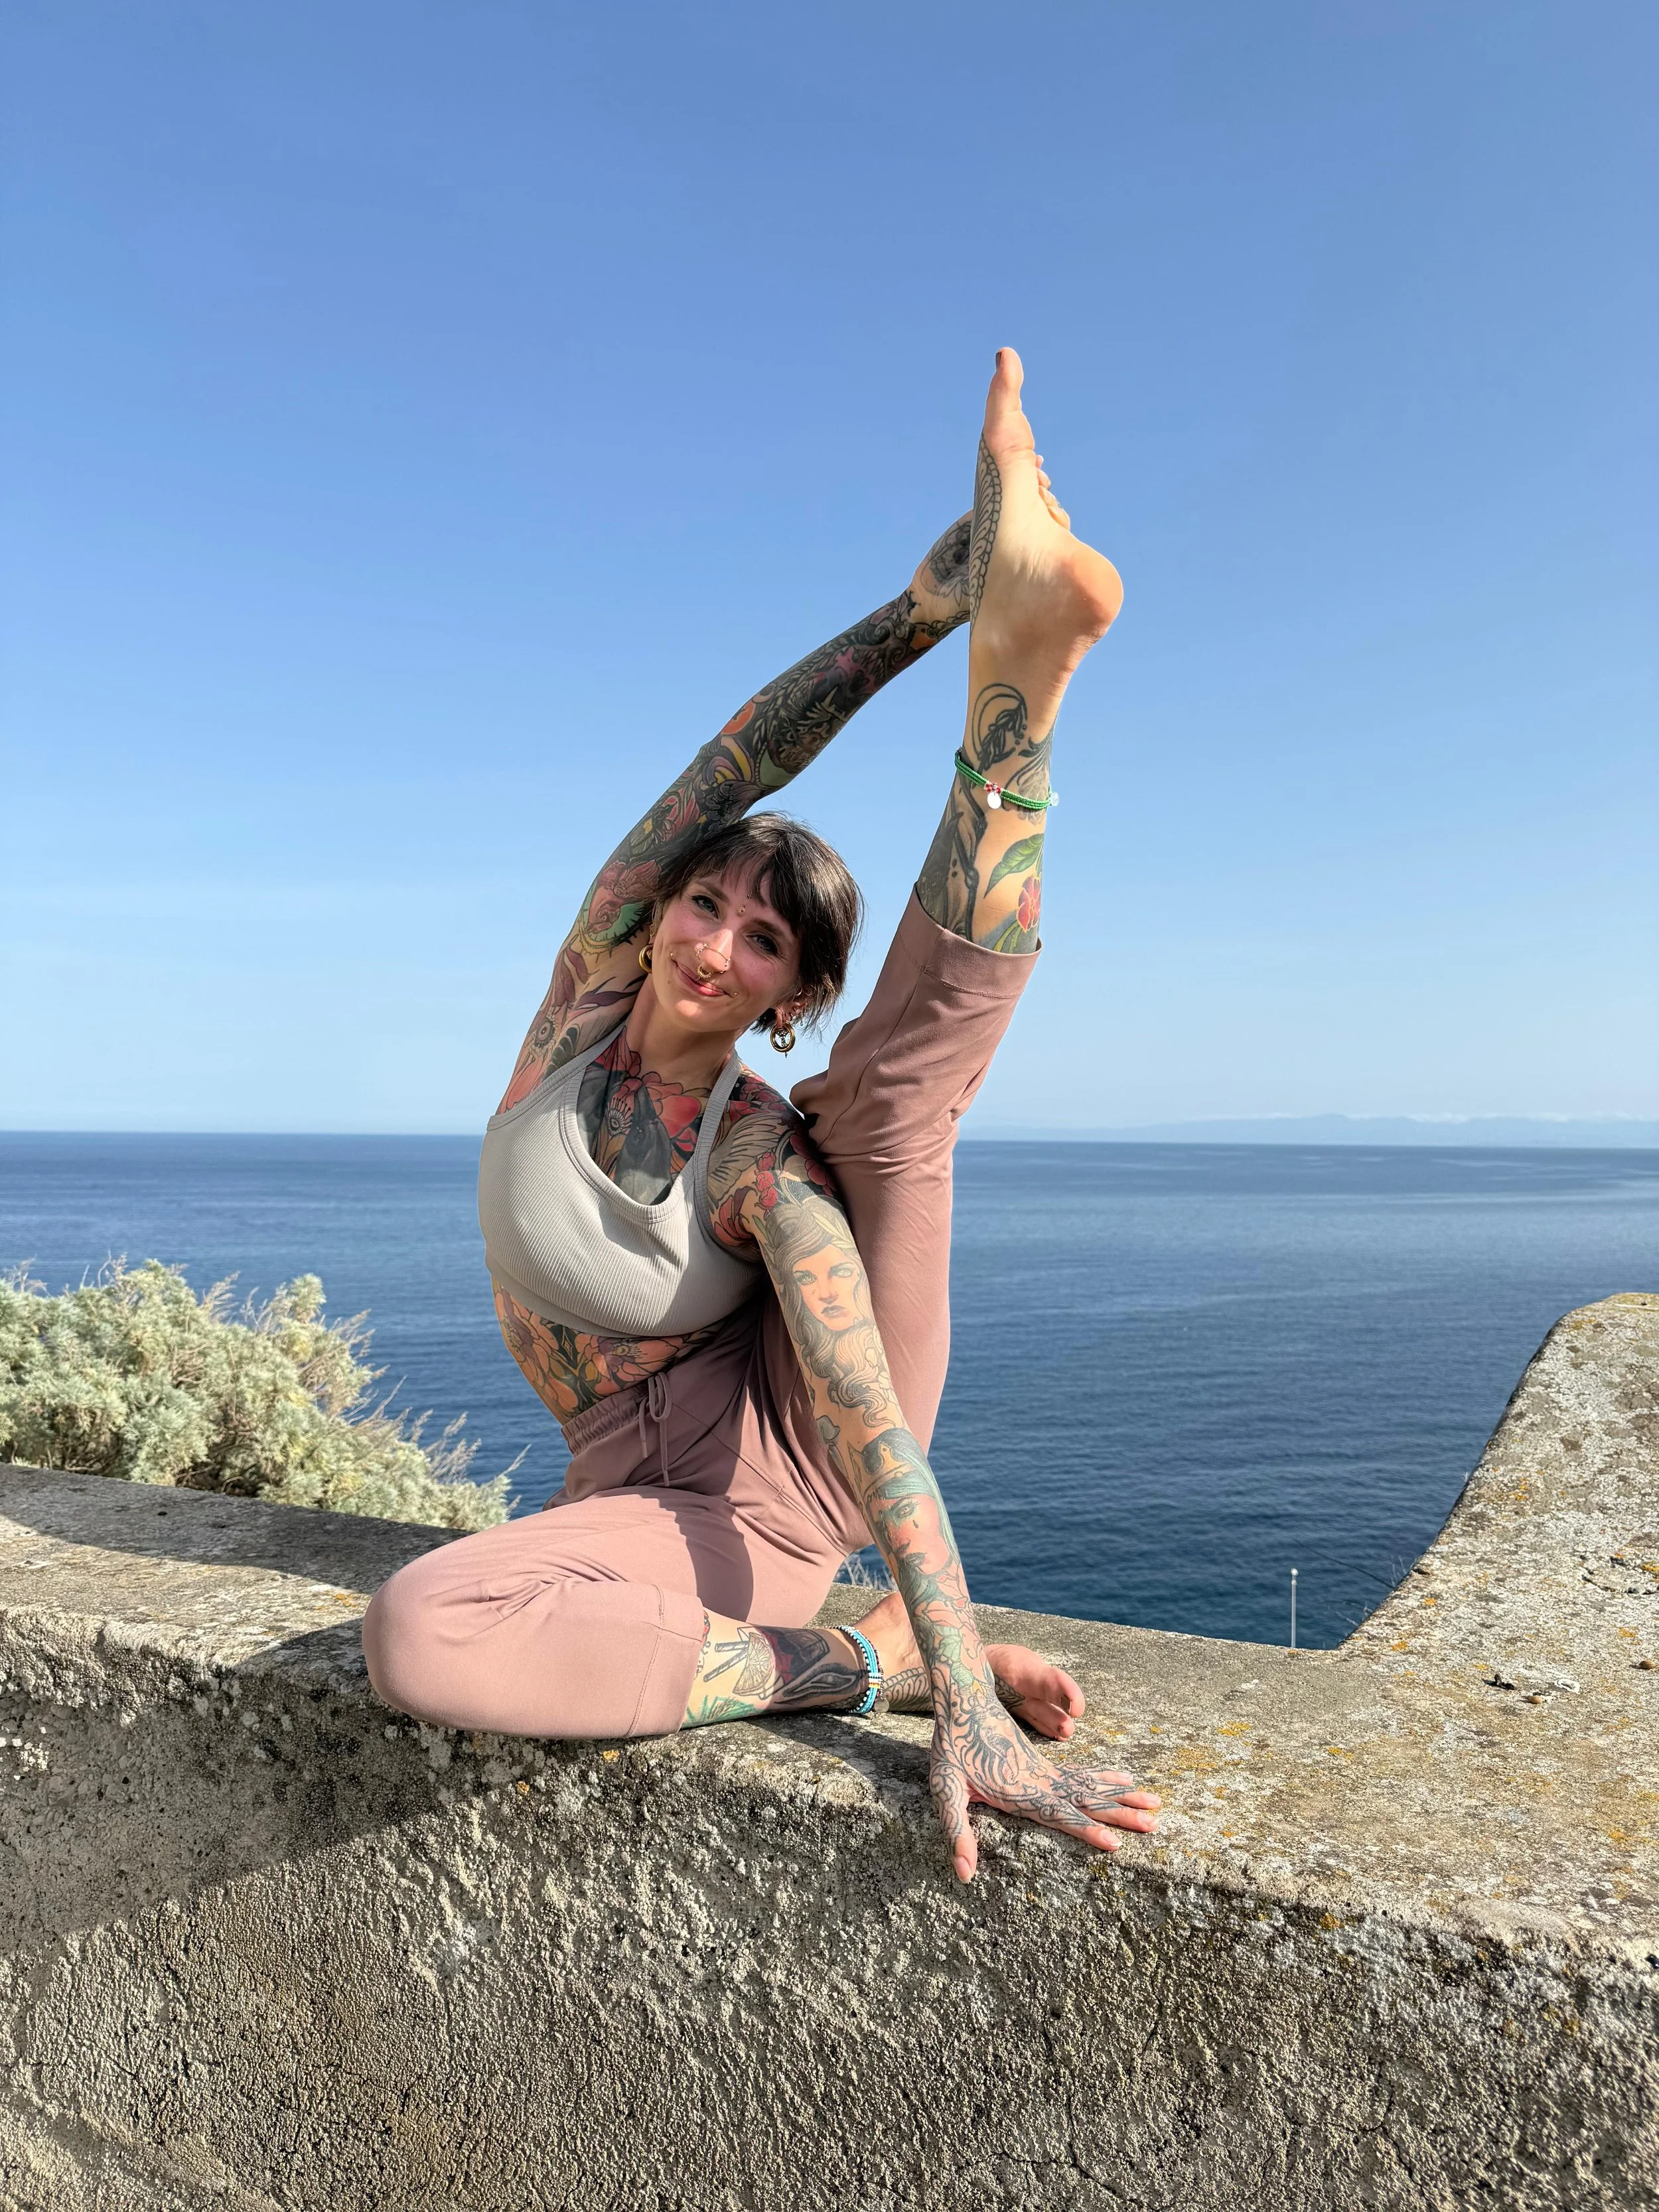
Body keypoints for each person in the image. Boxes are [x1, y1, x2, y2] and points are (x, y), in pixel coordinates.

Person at [364, 350, 1161, 1882]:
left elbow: (872, 1425)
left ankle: (1024, 695)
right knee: (455, 1623)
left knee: (893, 1111)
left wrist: (960, 1689)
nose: (713, 943)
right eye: (705, 903)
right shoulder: (572, 1014)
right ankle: (994, 617)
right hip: (629, 1491)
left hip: (778, 1482)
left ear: (786, 993)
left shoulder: (754, 1159)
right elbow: (724, 769)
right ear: (657, 908)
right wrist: (911, 614)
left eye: (763, 939)